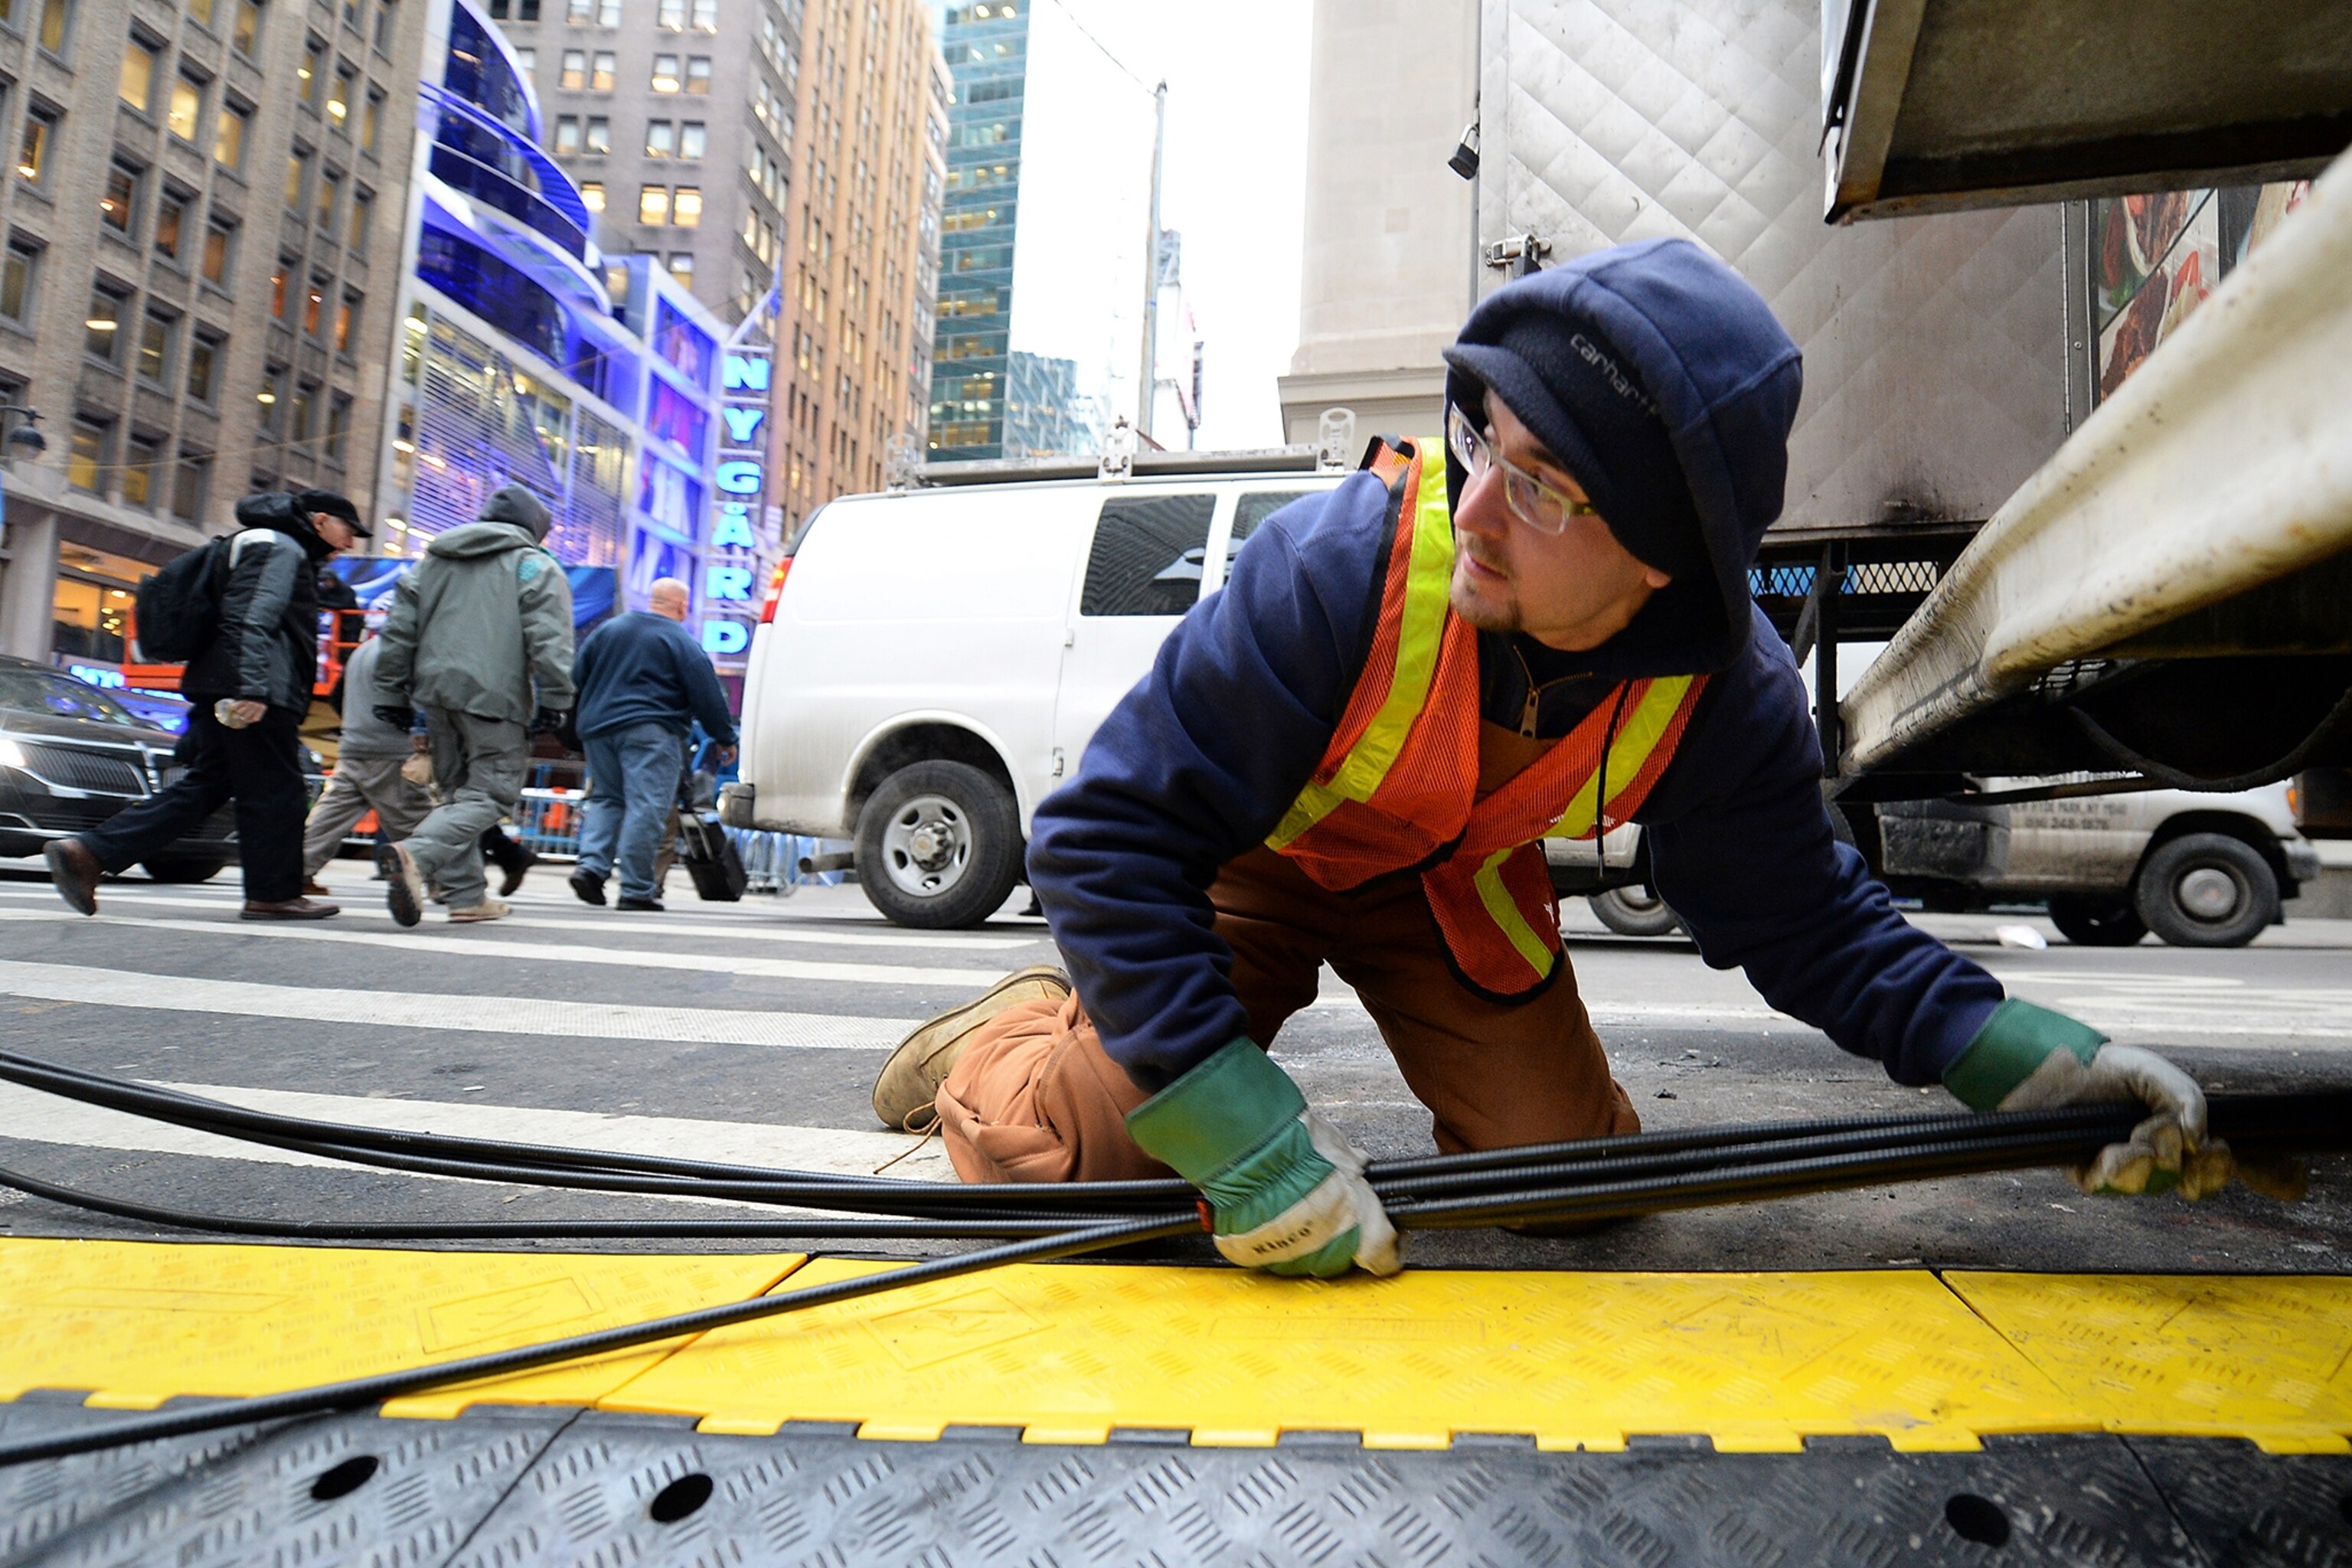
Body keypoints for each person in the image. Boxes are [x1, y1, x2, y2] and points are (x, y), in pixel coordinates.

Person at [871, 239, 2256, 1281]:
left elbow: (1807, 922)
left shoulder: (1724, 694)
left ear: (1663, 558)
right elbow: (1104, 839)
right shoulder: (1335, 568)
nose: (1474, 504)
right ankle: (1002, 1042)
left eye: (1541, 485)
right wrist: (1243, 1137)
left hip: (1447, 893)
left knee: (1570, 1188)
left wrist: (2026, 1060)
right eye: (1484, 438)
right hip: (1252, 870)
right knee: (1075, 1173)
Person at [46, 491, 366, 920]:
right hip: (256, 690)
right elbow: (250, 617)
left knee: (210, 784)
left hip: (228, 681)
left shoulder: (269, 545)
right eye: (348, 532)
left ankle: (89, 852)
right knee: (278, 791)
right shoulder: (278, 547)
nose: (349, 544)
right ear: (322, 520)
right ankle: (271, 894)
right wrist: (252, 689)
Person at [370, 484, 574, 926]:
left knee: (456, 794)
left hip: (435, 694)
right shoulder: (533, 565)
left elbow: (399, 631)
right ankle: (415, 856)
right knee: (490, 792)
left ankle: (466, 897)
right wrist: (558, 698)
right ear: (535, 530)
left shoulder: (434, 562)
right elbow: (550, 638)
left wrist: (390, 692)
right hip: (496, 695)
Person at [568, 576, 737, 911]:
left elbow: (577, 676)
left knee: (607, 798)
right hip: (651, 730)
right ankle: (636, 888)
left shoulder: (610, 630)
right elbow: (707, 695)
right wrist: (724, 737)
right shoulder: (680, 640)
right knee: (646, 806)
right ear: (682, 606)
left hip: (599, 727)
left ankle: (592, 867)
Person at [299, 625, 433, 894]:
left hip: (353, 744)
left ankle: (294, 872)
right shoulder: (409, 653)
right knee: (415, 820)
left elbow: (338, 697)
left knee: (329, 817)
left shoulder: (363, 650)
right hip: (391, 749)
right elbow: (420, 700)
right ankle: (448, 883)